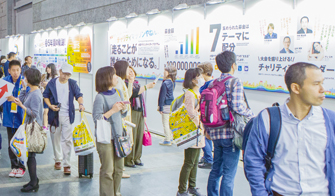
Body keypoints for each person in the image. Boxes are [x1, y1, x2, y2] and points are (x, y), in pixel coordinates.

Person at [244, 62, 335, 196]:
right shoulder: (268, 118)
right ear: (296, 88)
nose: (322, 89)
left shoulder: (330, 120)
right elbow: (253, 161)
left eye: (322, 83)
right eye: (316, 84)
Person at [206, 51, 254, 196]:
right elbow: (238, 107)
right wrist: (252, 115)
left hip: (215, 132)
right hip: (230, 133)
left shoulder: (213, 83)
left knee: (216, 169)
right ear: (233, 65)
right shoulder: (235, 81)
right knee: (229, 173)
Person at [43, 63, 85, 175]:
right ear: (60, 71)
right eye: (64, 73)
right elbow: (45, 96)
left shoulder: (72, 84)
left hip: (67, 115)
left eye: (68, 75)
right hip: (54, 116)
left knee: (66, 140)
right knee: (55, 138)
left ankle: (67, 164)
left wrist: (81, 104)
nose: (66, 76)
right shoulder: (52, 83)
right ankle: (58, 159)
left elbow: (79, 95)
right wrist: (50, 106)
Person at [93, 66, 128, 196]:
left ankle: (116, 193)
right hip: (105, 138)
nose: (116, 77)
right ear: (106, 78)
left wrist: (123, 109)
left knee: (119, 169)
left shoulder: (118, 92)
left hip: (119, 136)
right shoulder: (100, 98)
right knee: (108, 170)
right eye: (113, 75)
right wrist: (112, 110)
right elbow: (97, 119)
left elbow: (123, 114)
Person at [177, 67, 206, 196]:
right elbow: (191, 114)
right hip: (192, 132)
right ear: (193, 80)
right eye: (199, 76)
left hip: (198, 132)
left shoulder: (197, 93)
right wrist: (200, 112)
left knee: (194, 161)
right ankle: (182, 190)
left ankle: (192, 186)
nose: (201, 78)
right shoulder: (190, 94)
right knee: (189, 162)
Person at [14, 69, 43, 192]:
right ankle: (33, 180)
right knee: (30, 155)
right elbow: (21, 99)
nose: (24, 79)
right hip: (28, 126)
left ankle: (34, 182)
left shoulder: (36, 94)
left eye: (25, 77)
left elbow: (34, 114)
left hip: (32, 128)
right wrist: (22, 89)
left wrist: (22, 106)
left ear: (30, 79)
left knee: (31, 156)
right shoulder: (30, 90)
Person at [124, 66, 155, 167]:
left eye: (132, 71)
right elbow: (133, 94)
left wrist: (144, 114)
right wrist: (147, 86)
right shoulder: (125, 84)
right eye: (128, 72)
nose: (131, 73)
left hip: (139, 112)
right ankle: (129, 159)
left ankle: (137, 158)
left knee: (138, 136)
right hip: (131, 112)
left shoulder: (137, 84)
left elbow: (142, 101)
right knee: (131, 135)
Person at [3, 60, 27, 178]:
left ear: (20, 70)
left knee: (21, 143)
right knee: (11, 144)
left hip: (21, 118)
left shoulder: (24, 82)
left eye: (18, 70)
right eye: (13, 70)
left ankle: (22, 167)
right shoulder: (4, 82)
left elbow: (27, 99)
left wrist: (14, 98)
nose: (16, 73)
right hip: (8, 117)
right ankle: (14, 167)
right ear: (9, 71)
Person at [113, 60, 134, 178]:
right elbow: (121, 99)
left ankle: (121, 169)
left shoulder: (121, 81)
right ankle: (119, 170)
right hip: (122, 116)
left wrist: (130, 82)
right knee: (121, 141)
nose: (129, 71)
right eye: (127, 68)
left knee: (123, 140)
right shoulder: (118, 81)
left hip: (124, 115)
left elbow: (127, 96)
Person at [197, 62, 214, 169]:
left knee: (203, 137)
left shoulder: (209, 85)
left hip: (205, 114)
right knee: (207, 137)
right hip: (207, 114)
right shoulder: (210, 83)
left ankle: (208, 159)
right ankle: (207, 157)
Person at [158, 65, 177, 146]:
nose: (163, 72)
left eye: (165, 71)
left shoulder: (165, 83)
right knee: (169, 122)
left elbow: (162, 96)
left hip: (165, 104)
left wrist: (160, 107)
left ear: (168, 73)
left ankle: (167, 139)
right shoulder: (173, 82)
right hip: (171, 104)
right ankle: (170, 138)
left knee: (165, 122)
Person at [41, 63, 58, 132]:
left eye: (49, 68)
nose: (47, 69)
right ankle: (45, 126)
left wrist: (47, 84)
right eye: (47, 68)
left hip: (53, 96)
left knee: (53, 111)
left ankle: (52, 124)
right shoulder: (45, 76)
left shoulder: (56, 77)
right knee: (45, 110)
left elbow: (56, 85)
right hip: (46, 95)